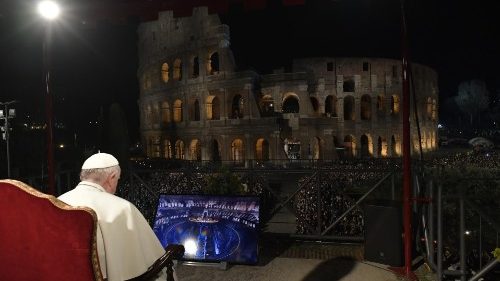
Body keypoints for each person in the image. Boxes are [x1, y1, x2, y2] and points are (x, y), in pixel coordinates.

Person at [58, 152, 176, 281]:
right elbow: (151, 260)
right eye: (117, 180)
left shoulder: (58, 202)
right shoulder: (122, 208)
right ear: (112, 177)